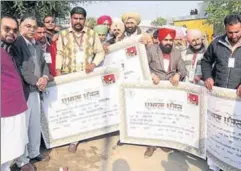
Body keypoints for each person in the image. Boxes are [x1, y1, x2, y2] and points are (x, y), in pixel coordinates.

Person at [55, 6, 105, 153]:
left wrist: (94, 63)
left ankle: (81, 134)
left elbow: (100, 52)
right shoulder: (63, 34)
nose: (78, 21)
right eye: (75, 18)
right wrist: (58, 70)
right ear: (71, 19)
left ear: (85, 20)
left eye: (81, 19)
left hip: (86, 77)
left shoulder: (92, 34)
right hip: (69, 77)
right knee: (71, 107)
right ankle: (73, 138)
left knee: (84, 106)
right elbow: (59, 53)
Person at [201, 14, 241, 171]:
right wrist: (208, 76)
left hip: (237, 100)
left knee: (235, 134)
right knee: (217, 129)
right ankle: (215, 164)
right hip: (218, 98)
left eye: (237, 32)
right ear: (225, 29)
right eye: (230, 32)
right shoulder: (216, 43)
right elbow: (206, 61)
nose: (234, 36)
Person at [13, 15, 50, 171]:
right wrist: (37, 81)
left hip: (36, 91)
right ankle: (22, 160)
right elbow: (21, 69)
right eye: (28, 26)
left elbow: (44, 64)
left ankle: (35, 152)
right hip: (24, 92)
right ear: (21, 26)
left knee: (35, 125)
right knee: (23, 127)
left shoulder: (35, 44)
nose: (31, 29)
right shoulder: (17, 44)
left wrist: (45, 77)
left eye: (34, 27)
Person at [145, 27, 187, 158]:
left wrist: (178, 75)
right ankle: (151, 145)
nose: (168, 42)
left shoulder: (177, 52)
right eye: (165, 40)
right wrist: (151, 74)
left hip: (170, 90)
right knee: (153, 116)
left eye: (170, 40)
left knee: (167, 116)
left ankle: (165, 141)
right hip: (154, 88)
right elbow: (142, 66)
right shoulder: (151, 50)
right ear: (160, 40)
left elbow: (183, 70)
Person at [1, 15, 28, 171]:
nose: (11, 32)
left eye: (14, 30)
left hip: (15, 108)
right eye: (7, 29)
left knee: (9, 151)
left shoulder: (9, 49)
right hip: (4, 111)